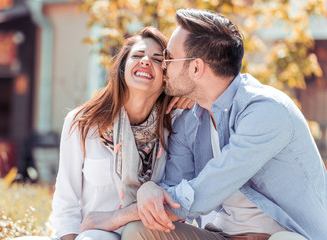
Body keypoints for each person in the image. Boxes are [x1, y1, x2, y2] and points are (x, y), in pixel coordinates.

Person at [121, 9, 327, 240]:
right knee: (137, 232)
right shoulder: (188, 121)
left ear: (196, 68)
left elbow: (202, 193)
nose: (163, 66)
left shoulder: (267, 110)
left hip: (286, 235)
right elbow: (171, 194)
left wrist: (114, 217)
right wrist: (150, 189)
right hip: (223, 236)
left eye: (169, 57)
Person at [13, 27, 193, 240]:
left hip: (140, 234)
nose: (145, 61)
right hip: (86, 233)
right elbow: (66, 202)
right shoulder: (83, 123)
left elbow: (181, 197)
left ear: (166, 77)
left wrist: (191, 96)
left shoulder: (176, 126)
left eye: (156, 59)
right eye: (137, 55)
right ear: (122, 68)